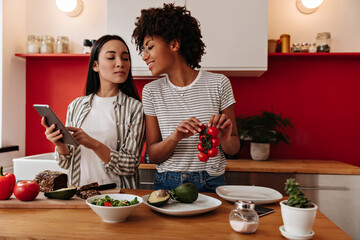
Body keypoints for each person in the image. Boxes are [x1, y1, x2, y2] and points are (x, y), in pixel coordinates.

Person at [132, 4, 240, 192]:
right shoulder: (151, 92)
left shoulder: (218, 83)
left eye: (150, 47)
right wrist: (175, 137)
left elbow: (233, 148)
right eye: (143, 50)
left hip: (212, 182)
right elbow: (154, 155)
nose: (144, 56)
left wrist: (224, 137)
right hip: (167, 183)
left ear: (174, 44)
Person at [41, 35, 145, 188]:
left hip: (118, 198)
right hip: (79, 195)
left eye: (125, 58)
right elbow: (65, 163)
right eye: (111, 57)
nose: (120, 63)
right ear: (95, 65)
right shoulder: (76, 106)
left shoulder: (135, 108)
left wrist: (94, 144)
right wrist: (60, 145)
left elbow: (131, 165)